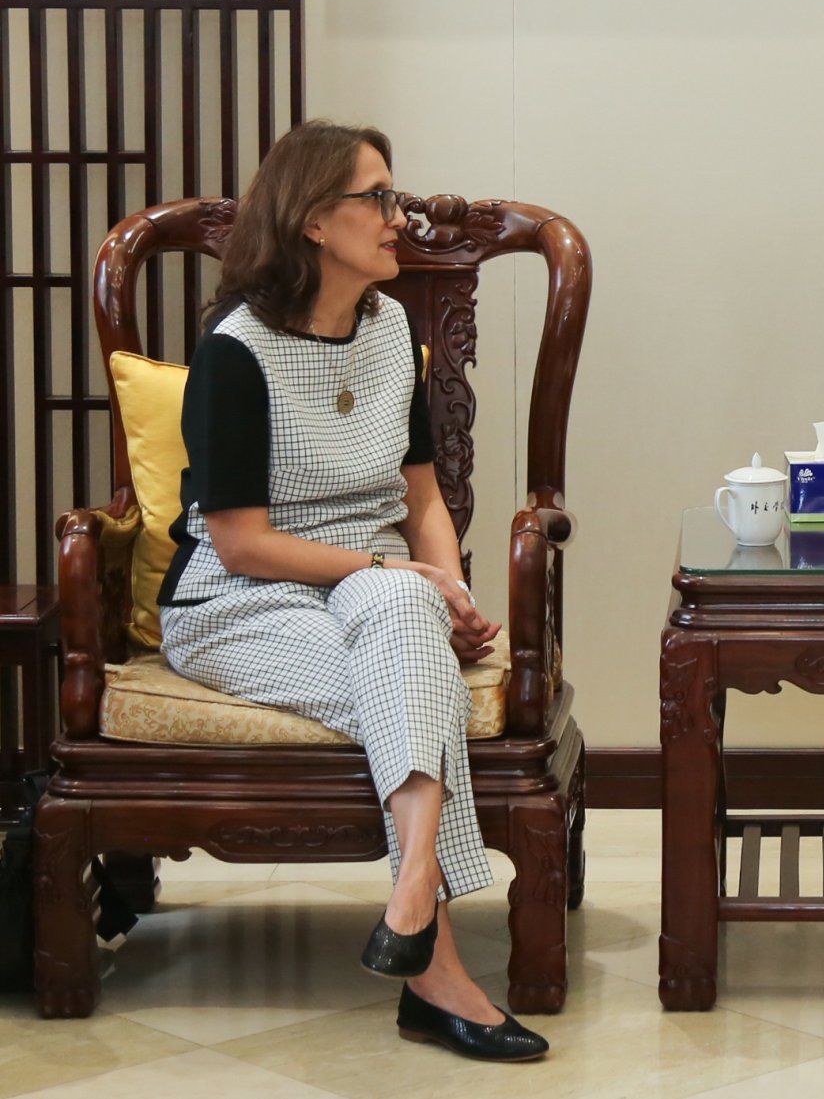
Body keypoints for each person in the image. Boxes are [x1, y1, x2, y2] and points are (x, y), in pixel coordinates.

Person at [157, 120, 549, 1063]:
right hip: (237, 600)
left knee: (406, 619)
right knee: (412, 670)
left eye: (393, 195)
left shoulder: (391, 333)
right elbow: (240, 541)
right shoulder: (233, 352)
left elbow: (421, 497)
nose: (398, 215)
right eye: (376, 198)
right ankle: (433, 959)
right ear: (311, 222)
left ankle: (413, 903)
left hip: (375, 592)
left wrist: (449, 591)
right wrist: (394, 577)